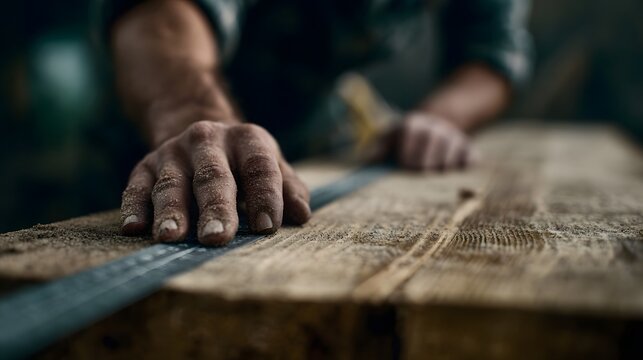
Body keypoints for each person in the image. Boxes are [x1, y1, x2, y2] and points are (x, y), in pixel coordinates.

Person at [100, 0, 531, 245]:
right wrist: (190, 118)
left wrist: (437, 120)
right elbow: (159, 14)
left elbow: (493, 53)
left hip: (312, 129)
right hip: (155, 117)